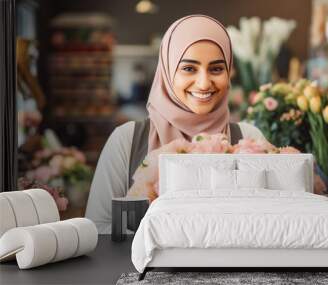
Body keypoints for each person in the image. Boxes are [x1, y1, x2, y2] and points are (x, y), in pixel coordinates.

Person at [85, 15, 269, 234]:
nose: (203, 83)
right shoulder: (127, 140)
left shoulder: (249, 139)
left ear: (229, 71)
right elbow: (98, 228)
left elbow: (267, 225)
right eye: (189, 69)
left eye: (216, 69)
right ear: (167, 70)